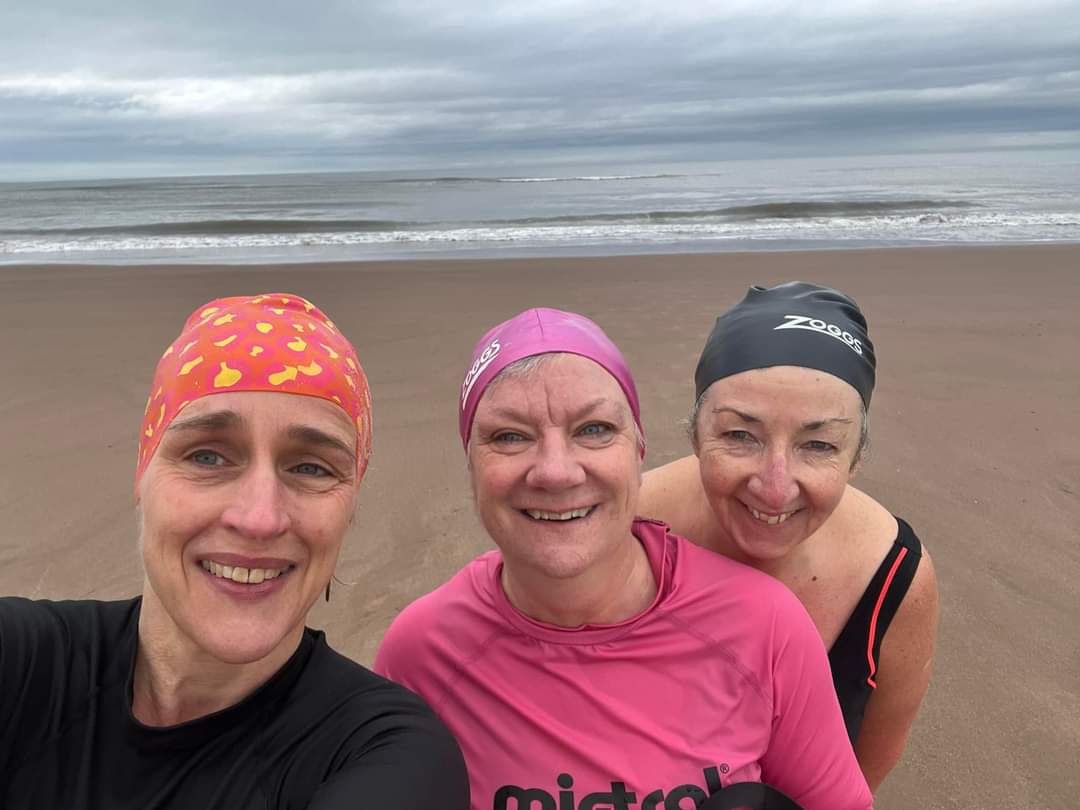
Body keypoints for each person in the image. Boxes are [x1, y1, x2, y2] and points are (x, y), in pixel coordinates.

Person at [375, 307, 872, 810]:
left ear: (638, 451)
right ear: (471, 465)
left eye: (593, 429)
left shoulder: (765, 624)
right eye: (509, 436)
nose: (555, 472)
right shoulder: (423, 652)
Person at [0, 293, 469, 809]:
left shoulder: (388, 756)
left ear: (349, 506)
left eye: (311, 467)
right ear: (143, 473)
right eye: (207, 456)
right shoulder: (23, 663)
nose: (260, 518)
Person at [639, 282, 940, 792]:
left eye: (819, 444)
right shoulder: (622, 530)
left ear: (856, 456)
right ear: (695, 434)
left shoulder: (894, 578)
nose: (774, 488)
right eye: (739, 435)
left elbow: (858, 778)